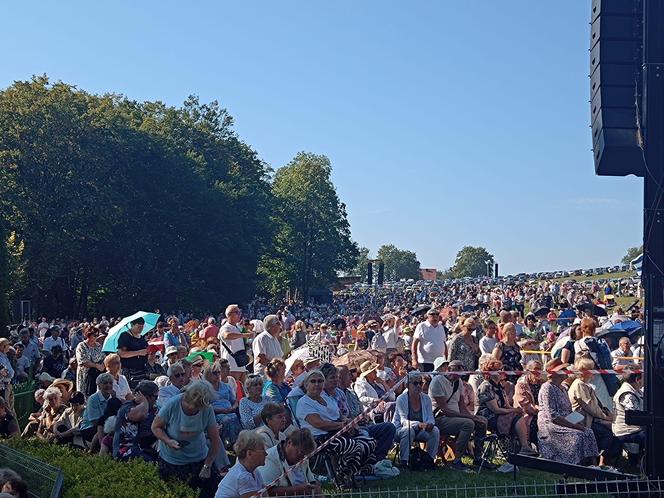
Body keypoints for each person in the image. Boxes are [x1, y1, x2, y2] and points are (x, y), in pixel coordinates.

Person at [295, 370, 376, 489]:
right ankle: (341, 477)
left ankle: (352, 472)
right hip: (319, 438)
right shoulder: (304, 402)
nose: (317, 384)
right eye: (313, 381)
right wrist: (342, 425)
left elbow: (339, 415)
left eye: (320, 381)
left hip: (338, 432)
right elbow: (318, 423)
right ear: (306, 384)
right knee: (354, 446)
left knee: (369, 442)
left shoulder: (327, 399)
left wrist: (349, 423)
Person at [152, 380, 222, 498]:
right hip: (173, 461)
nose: (195, 409)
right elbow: (155, 427)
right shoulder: (172, 404)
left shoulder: (207, 408)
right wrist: (168, 441)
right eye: (195, 406)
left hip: (199, 458)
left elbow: (215, 441)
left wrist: (207, 466)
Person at [430, 358, 493, 471]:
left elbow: (462, 406)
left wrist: (475, 417)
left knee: (482, 422)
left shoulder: (458, 382)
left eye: (461, 370)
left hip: (456, 417)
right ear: (449, 369)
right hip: (440, 418)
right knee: (468, 423)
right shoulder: (437, 382)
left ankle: (478, 457)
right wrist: (470, 417)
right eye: (457, 370)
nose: (459, 373)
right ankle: (457, 460)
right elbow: (445, 410)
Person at [537, 359, 599, 465]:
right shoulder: (547, 388)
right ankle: (574, 463)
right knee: (577, 435)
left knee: (588, 431)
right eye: (563, 369)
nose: (567, 371)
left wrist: (578, 422)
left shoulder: (564, 388)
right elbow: (553, 415)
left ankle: (593, 464)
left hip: (566, 420)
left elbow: (569, 411)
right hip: (551, 424)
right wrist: (575, 426)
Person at [335, 365, 396, 462]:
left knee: (389, 427)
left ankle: (378, 458)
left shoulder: (351, 393)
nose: (351, 377)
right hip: (352, 427)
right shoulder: (337, 395)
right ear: (340, 377)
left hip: (365, 421)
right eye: (348, 375)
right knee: (365, 434)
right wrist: (376, 401)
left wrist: (364, 416)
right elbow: (362, 400)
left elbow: (392, 396)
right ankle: (367, 461)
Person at [568, 356, 622, 467]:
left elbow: (597, 405)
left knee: (617, 432)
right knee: (609, 434)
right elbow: (590, 407)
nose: (594, 372)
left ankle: (607, 461)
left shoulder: (585, 385)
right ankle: (602, 461)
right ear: (583, 372)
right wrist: (605, 417)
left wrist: (607, 414)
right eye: (591, 369)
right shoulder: (579, 385)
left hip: (590, 418)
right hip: (580, 419)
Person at [475, 359, 535, 455]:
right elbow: (495, 410)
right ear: (491, 372)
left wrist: (517, 410)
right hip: (488, 417)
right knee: (516, 417)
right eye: (499, 369)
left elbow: (506, 405)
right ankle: (523, 447)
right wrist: (514, 411)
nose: (502, 371)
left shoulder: (500, 386)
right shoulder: (486, 386)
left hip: (500, 415)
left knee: (519, 415)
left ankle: (520, 447)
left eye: (502, 368)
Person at [393, 372, 441, 467]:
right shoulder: (401, 399)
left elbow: (430, 418)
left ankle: (429, 461)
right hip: (400, 430)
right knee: (408, 430)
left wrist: (430, 424)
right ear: (407, 385)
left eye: (420, 383)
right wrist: (419, 424)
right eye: (415, 383)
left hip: (420, 431)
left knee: (435, 431)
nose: (418, 386)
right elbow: (403, 421)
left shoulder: (426, 398)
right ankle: (404, 462)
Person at [257, 429, 322, 497]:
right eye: (300, 453)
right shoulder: (269, 459)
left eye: (306, 455)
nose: (302, 458)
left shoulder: (303, 456)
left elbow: (312, 482)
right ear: (289, 443)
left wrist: (315, 488)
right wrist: (298, 490)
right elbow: (267, 491)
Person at [113, 380, 159, 461]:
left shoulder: (153, 408)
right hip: (127, 449)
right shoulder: (127, 407)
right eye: (155, 397)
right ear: (145, 396)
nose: (156, 400)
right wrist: (144, 401)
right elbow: (140, 416)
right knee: (153, 463)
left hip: (146, 447)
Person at [215, 430, 266, 498]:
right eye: (262, 450)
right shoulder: (243, 476)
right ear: (249, 454)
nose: (266, 453)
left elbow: (265, 494)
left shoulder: (255, 472)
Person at [204, 361, 241, 447]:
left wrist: (233, 407)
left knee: (234, 417)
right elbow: (205, 406)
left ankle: (237, 442)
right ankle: (229, 443)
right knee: (227, 420)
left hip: (230, 411)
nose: (217, 375)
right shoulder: (205, 388)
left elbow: (234, 400)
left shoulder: (225, 386)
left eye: (218, 372)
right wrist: (221, 410)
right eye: (214, 373)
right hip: (214, 414)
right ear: (208, 374)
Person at [612, 372, 645, 461]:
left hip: (634, 429)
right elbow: (635, 416)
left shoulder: (635, 390)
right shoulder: (627, 394)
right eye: (643, 378)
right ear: (637, 380)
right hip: (627, 431)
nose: (645, 381)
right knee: (655, 436)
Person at [80, 373, 116, 450]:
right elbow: (94, 421)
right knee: (103, 430)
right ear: (99, 386)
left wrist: (114, 400)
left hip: (105, 424)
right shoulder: (93, 399)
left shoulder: (113, 398)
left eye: (110, 383)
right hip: (89, 427)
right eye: (105, 383)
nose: (109, 385)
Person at [513, 360, 544, 446]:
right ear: (528, 371)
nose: (538, 372)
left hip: (541, 412)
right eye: (535, 369)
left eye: (540, 369)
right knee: (538, 424)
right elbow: (526, 407)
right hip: (527, 414)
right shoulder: (521, 385)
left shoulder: (542, 383)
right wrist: (540, 409)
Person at [218, 305, 253, 374]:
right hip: (231, 364)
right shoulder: (225, 327)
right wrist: (244, 335)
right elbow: (226, 335)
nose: (239, 314)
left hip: (240, 363)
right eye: (237, 312)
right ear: (229, 314)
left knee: (242, 384)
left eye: (240, 312)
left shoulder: (237, 327)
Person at [117, 317, 149, 388]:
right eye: (139, 326)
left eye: (142, 326)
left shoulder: (141, 337)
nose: (141, 328)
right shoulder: (125, 336)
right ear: (132, 325)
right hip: (130, 371)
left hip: (142, 369)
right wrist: (139, 352)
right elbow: (121, 353)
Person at [75, 326, 105, 396]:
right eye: (94, 335)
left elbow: (103, 357)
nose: (96, 337)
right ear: (88, 335)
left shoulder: (98, 346)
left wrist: (103, 365)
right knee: (84, 395)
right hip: (85, 375)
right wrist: (96, 365)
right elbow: (83, 361)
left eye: (97, 335)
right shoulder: (81, 346)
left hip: (96, 375)